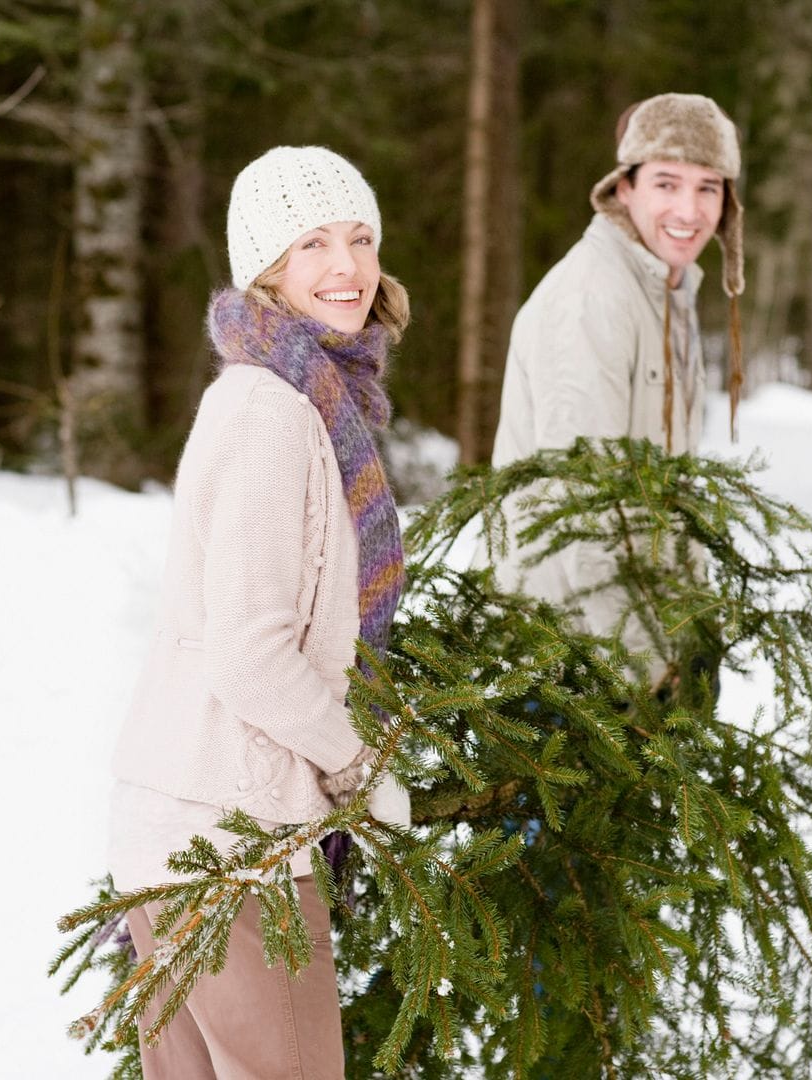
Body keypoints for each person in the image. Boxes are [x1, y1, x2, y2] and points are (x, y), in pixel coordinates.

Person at [106, 145, 411, 1080]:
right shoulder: (269, 413)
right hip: (229, 840)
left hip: (185, 831)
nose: (347, 268)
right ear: (265, 270)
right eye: (313, 243)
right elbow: (251, 652)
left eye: (360, 239)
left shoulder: (296, 400)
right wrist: (364, 766)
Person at [486, 93, 745, 679]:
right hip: (564, 663)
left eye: (709, 187)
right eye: (667, 183)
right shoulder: (592, 299)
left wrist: (693, 625)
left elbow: (665, 491)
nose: (690, 208)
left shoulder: (667, 291)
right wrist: (653, 666)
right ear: (623, 188)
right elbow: (581, 513)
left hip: (633, 640)